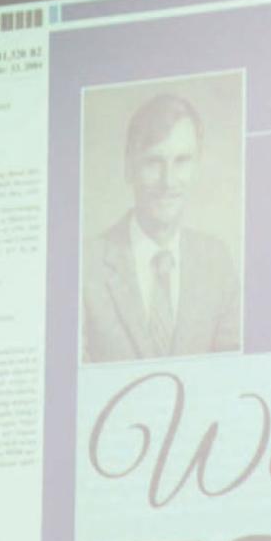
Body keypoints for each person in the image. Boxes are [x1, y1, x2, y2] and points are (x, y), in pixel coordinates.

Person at [83, 93, 240, 363]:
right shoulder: (86, 265)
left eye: (182, 161)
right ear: (129, 167)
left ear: (197, 167)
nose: (168, 181)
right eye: (154, 162)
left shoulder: (217, 261)